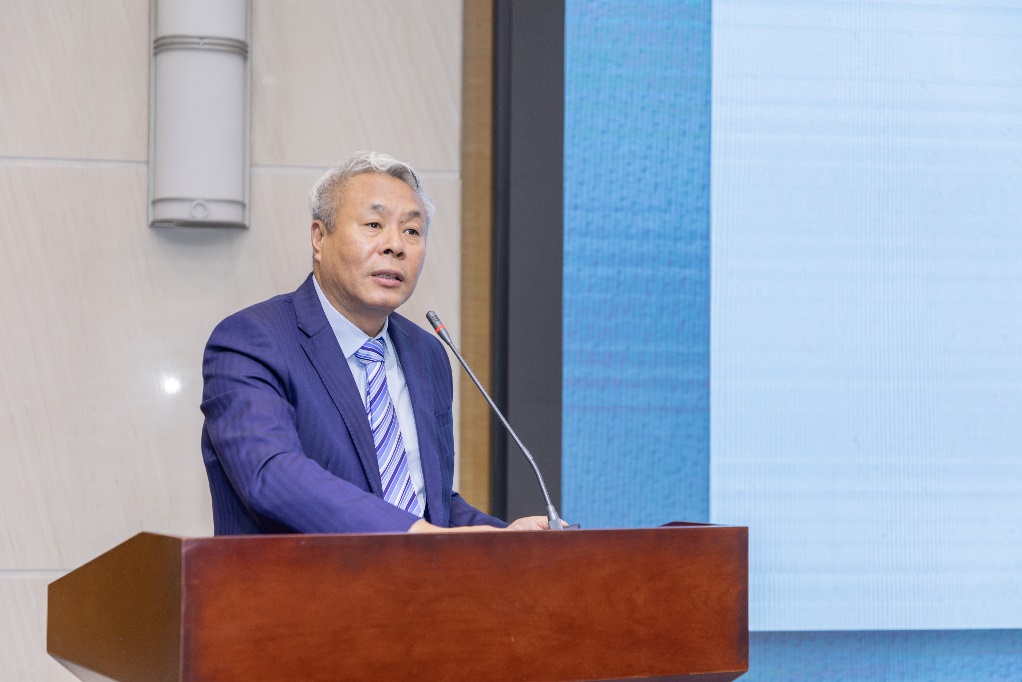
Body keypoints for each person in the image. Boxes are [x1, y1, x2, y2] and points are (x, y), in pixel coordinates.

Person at [200, 151, 547, 534]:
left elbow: (428, 503)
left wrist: (506, 539)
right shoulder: (253, 340)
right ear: (319, 237)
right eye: (373, 224)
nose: (395, 245)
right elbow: (271, 473)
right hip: (299, 574)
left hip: (419, 574)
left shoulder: (427, 354)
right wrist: (413, 536)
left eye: (412, 231)